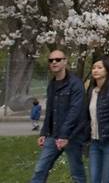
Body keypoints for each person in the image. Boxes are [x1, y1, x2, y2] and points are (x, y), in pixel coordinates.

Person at [31, 50, 87, 183]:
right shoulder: (52, 85)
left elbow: (75, 111)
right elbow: (50, 110)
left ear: (65, 61)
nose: (54, 62)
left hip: (72, 136)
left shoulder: (75, 83)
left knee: (77, 173)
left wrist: (64, 136)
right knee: (40, 169)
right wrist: (44, 132)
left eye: (57, 59)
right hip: (53, 135)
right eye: (51, 60)